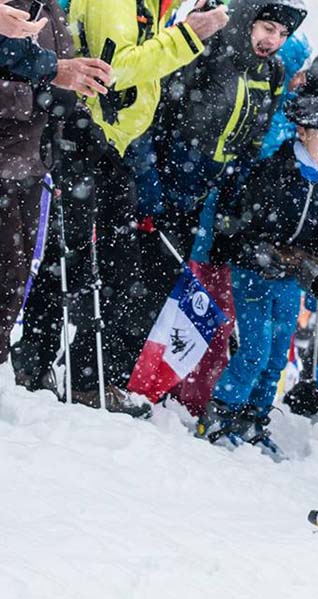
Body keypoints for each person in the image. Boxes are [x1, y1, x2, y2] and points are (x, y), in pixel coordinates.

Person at [12, 0, 228, 415]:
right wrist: (189, 35)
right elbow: (118, 69)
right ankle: (49, 372)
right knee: (80, 260)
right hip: (86, 136)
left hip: (113, 143)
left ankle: (74, 375)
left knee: (100, 263)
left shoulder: (149, 6)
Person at [130, 0, 307, 416]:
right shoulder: (208, 47)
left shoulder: (272, 70)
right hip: (170, 179)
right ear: (247, 18)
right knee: (142, 284)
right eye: (266, 28)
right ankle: (115, 375)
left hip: (208, 199)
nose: (273, 41)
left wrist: (234, 196)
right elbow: (158, 112)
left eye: (282, 35)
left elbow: (252, 139)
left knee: (179, 293)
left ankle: (152, 386)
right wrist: (151, 178)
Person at [197, 94, 318, 456]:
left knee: (277, 354)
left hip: (290, 276)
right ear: (303, 132)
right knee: (255, 349)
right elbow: (239, 222)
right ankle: (221, 411)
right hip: (254, 271)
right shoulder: (275, 168)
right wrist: (256, 251)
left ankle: (254, 417)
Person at [1, 0, 112, 382]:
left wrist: (78, 114)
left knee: (15, 276)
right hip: (6, 157)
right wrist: (44, 85)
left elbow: (56, 77)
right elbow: (28, 69)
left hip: (31, 161)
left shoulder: (50, 8)